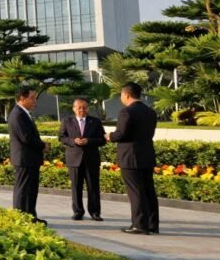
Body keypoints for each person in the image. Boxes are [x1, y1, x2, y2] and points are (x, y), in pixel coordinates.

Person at [109, 82, 159, 234]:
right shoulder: (150, 112)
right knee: (149, 190)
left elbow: (121, 134)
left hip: (130, 157)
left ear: (126, 95)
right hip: (147, 155)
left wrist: (109, 136)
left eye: (121, 95)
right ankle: (152, 224)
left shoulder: (126, 112)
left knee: (135, 191)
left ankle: (139, 224)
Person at [58, 97, 106, 221]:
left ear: (87, 108)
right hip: (74, 159)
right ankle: (78, 211)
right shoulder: (67, 121)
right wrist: (74, 141)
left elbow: (102, 139)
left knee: (93, 186)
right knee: (76, 186)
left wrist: (89, 141)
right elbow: (62, 137)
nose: (81, 110)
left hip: (91, 159)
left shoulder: (95, 121)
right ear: (74, 109)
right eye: (79, 108)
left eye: (84, 108)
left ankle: (95, 212)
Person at [8, 86, 48, 224]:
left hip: (29, 158)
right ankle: (21, 218)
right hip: (24, 159)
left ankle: (30, 216)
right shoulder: (18, 114)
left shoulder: (23, 113)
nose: (35, 101)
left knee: (30, 190)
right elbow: (26, 137)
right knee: (23, 190)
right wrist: (43, 145)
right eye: (32, 98)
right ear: (22, 98)